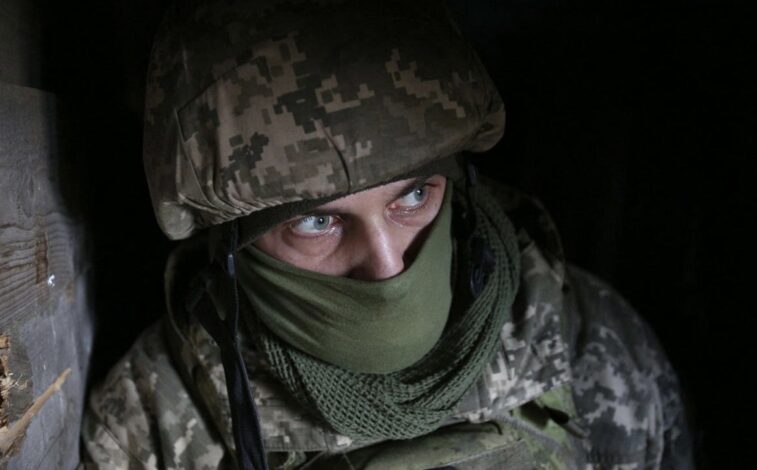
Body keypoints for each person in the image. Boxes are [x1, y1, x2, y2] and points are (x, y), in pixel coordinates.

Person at [82, 0, 694, 468]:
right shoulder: (148, 426)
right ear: (231, 245)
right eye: (316, 221)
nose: (388, 267)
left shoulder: (598, 342)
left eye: (413, 196)